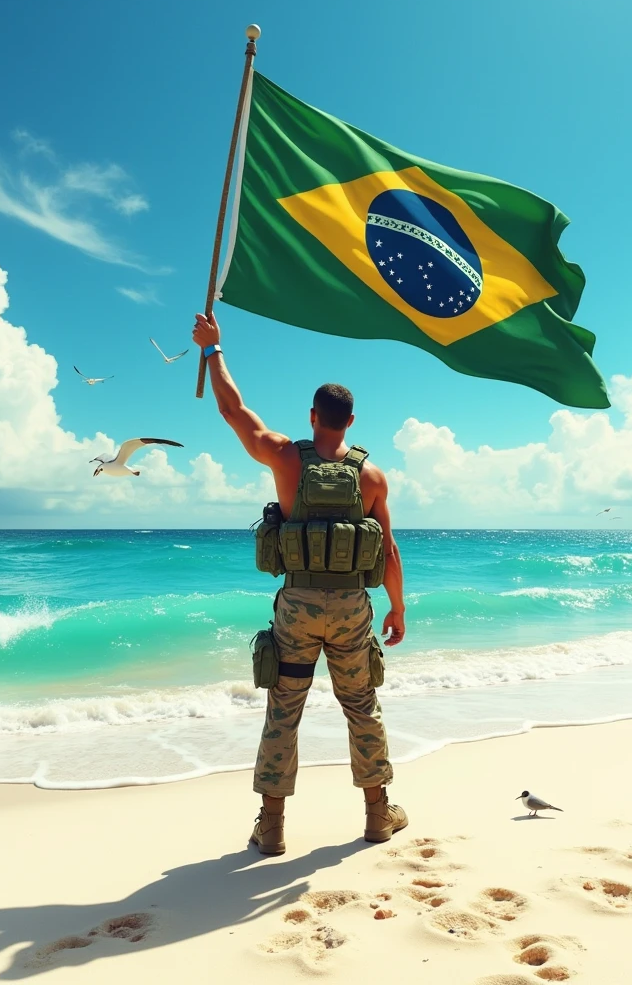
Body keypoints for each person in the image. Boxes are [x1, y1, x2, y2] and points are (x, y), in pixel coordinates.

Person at [192, 311, 408, 855]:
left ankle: (272, 826)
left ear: (314, 416)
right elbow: (388, 550)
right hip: (354, 608)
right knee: (361, 705)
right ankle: (379, 815)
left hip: (298, 607)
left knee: (284, 709)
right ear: (350, 421)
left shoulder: (287, 457)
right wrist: (398, 609)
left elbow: (232, 410)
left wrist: (213, 350)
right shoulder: (373, 476)